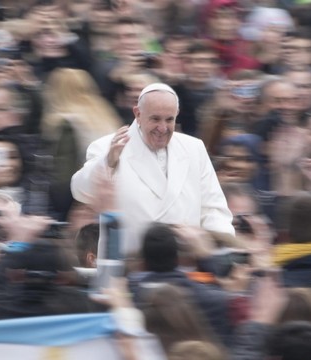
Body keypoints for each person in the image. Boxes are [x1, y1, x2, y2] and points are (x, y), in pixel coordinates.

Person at [70, 83, 234, 255]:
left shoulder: (194, 148)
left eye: (169, 119)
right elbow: (80, 191)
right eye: (155, 119)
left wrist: (222, 253)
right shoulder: (107, 146)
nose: (162, 128)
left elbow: (213, 208)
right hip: (130, 262)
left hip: (186, 261)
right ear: (138, 114)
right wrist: (107, 162)